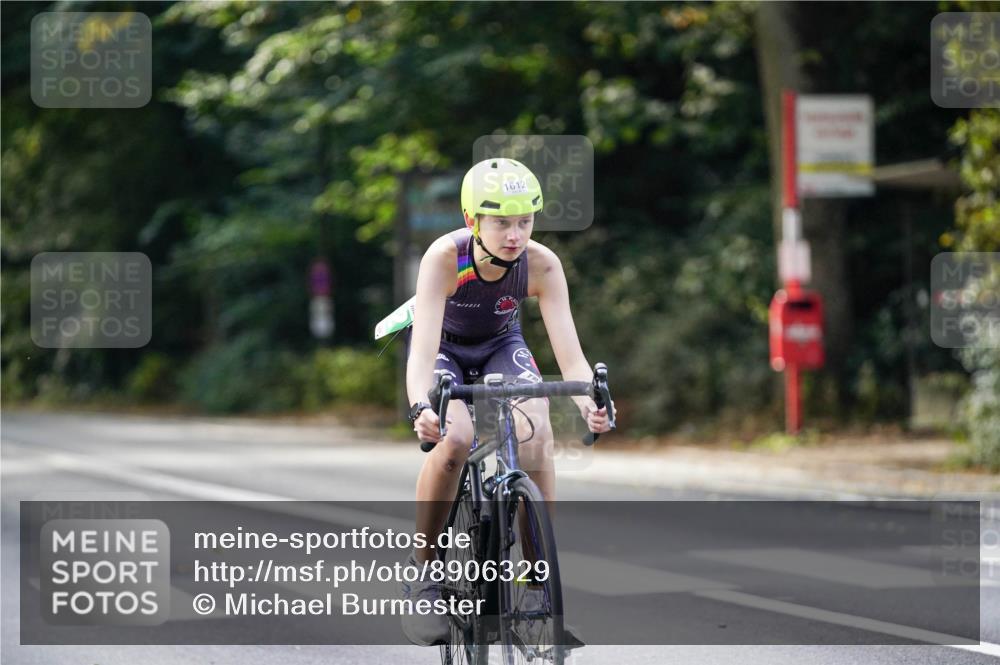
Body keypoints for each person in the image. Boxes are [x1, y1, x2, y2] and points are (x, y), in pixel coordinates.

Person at [400, 157, 613, 646]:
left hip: (500, 346)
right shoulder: (443, 258)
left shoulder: (542, 264)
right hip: (446, 352)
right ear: (473, 220)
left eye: (525, 221)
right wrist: (421, 407)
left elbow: (572, 358)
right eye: (501, 222)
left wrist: (588, 403)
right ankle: (424, 571)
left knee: (536, 433)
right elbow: (424, 349)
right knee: (456, 440)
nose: (515, 234)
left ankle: (537, 587)